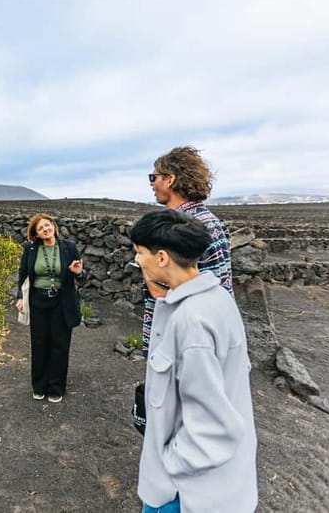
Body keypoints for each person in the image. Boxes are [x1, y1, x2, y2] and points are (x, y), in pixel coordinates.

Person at [130, 209, 257, 513]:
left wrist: (168, 467)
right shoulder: (215, 299)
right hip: (198, 487)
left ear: (162, 258)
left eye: (139, 253)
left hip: (186, 495)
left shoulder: (192, 320)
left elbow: (213, 426)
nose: (137, 261)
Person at [142, 146, 233, 357]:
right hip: (209, 331)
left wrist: (146, 265)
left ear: (170, 180)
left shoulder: (176, 228)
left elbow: (163, 293)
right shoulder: (208, 219)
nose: (151, 183)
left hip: (179, 339)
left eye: (153, 177)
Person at [15, 213, 86, 403]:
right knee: (39, 344)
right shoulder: (30, 249)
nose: (45, 229)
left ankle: (56, 387)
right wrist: (20, 297)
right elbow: (23, 274)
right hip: (38, 302)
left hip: (61, 302)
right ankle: (39, 386)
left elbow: (81, 275)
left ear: (53, 226)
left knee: (60, 345)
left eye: (47, 225)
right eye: (40, 228)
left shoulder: (69, 247)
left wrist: (79, 273)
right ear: (36, 234)